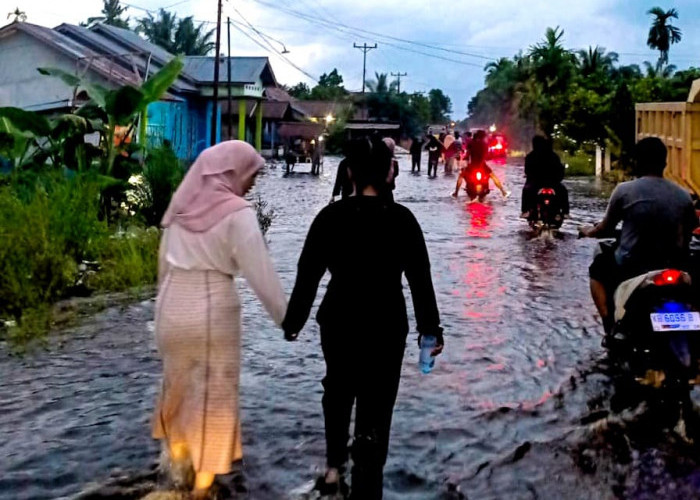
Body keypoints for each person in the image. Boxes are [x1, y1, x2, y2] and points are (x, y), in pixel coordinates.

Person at [282, 137, 444, 499]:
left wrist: (293, 322)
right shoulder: (403, 220)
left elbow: (307, 274)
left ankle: (334, 467)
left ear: (350, 172)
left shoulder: (330, 217)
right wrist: (430, 332)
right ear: (390, 172)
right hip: (387, 324)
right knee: (378, 399)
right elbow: (421, 279)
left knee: (337, 390)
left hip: (339, 320)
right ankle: (370, 470)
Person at [153, 141, 288, 498]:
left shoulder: (180, 207)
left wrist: (161, 318)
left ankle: (176, 468)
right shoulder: (236, 212)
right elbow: (260, 272)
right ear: (231, 171)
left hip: (170, 306)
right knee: (214, 397)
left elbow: (162, 265)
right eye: (251, 173)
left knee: (178, 389)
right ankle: (202, 487)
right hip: (210, 308)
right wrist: (285, 319)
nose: (253, 182)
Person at [580, 137, 698, 333]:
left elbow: (606, 229)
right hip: (674, 264)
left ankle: (610, 323)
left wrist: (587, 231)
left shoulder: (624, 190)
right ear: (664, 163)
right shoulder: (683, 195)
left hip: (632, 265)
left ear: (637, 162)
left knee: (598, 267)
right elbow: (689, 233)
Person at [520, 135, 570, 218]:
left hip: (536, 183)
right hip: (553, 183)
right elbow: (560, 170)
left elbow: (527, 171)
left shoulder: (531, 156)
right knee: (563, 191)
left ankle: (525, 211)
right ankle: (565, 212)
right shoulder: (554, 156)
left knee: (526, 191)